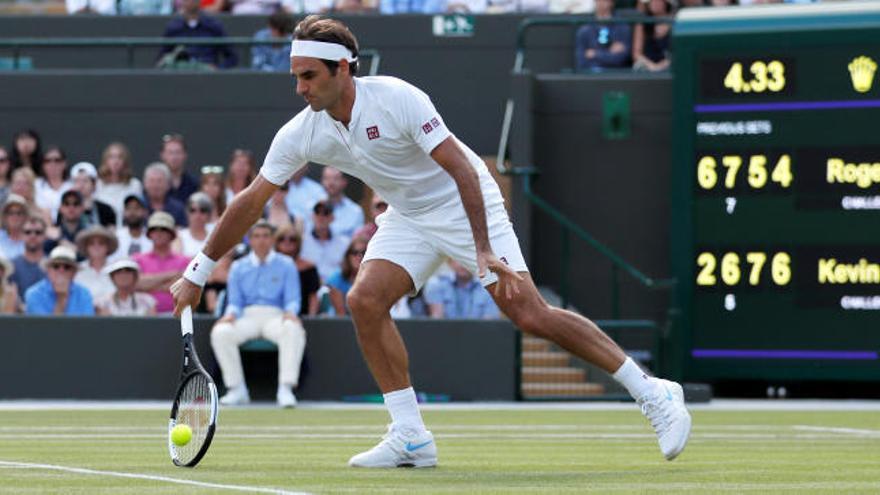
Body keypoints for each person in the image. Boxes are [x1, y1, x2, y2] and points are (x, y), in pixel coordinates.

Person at [171, 15, 691, 468]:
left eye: (309, 77)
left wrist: (483, 246)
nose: (300, 88)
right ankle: (411, 436)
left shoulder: (398, 97)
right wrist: (198, 270)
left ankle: (652, 392)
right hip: (410, 215)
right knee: (364, 300)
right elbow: (250, 201)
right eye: (296, 78)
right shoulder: (303, 131)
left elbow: (462, 167)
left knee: (529, 314)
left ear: (342, 69)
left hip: (468, 204)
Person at [210, 220, 305, 408]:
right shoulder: (238, 267)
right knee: (221, 332)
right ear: (250, 240)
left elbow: (293, 299)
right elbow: (235, 302)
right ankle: (236, 389)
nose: (261, 241)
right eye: (256, 236)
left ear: (272, 240)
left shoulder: (286, 264)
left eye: (266, 236)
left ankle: (285, 389)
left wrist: (291, 312)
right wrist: (230, 315)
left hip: (276, 316)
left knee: (293, 329)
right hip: (247, 316)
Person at [134, 212, 190, 314]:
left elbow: (185, 289)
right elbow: (136, 283)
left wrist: (149, 286)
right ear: (149, 234)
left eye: (164, 229)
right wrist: (172, 275)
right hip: (144, 316)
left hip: (175, 316)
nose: (158, 233)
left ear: (171, 234)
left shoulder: (184, 260)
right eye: (154, 229)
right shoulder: (138, 259)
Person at [158, 0, 238, 69]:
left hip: (207, 76)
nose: (191, 1)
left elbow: (232, 57)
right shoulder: (173, 27)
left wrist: (217, 69)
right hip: (180, 76)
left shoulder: (213, 26)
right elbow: (161, 58)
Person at [25, 245, 94, 316]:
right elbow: (44, 326)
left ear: (74, 273)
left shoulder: (84, 294)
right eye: (56, 266)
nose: (61, 270)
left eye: (67, 267)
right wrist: (61, 299)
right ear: (48, 270)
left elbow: (87, 325)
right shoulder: (34, 294)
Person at [424, 258, 499, 319]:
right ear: (450, 262)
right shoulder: (436, 284)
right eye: (459, 258)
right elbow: (437, 322)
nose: (463, 264)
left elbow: (489, 325)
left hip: (479, 336)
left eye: (467, 259)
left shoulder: (489, 287)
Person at [274, 224, 320, 316]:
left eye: (292, 239)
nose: (287, 242)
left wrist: (311, 319)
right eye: (282, 239)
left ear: (298, 243)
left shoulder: (309, 268)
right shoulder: (269, 266)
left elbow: (313, 296)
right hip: (274, 314)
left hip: (303, 315)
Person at [575, 0, 632, 71]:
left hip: (617, 75)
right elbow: (582, 61)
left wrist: (595, 54)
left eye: (605, 0)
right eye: (598, 0)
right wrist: (609, 53)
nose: (601, 3)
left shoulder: (622, 27)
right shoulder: (584, 30)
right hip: (592, 76)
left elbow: (621, 58)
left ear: (612, 2)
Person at [300, 199, 349, 281]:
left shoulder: (344, 243)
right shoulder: (301, 241)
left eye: (325, 213)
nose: (321, 217)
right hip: (308, 288)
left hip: (334, 288)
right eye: (317, 212)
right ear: (312, 216)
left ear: (332, 218)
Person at [95, 142, 144, 225]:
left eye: (119, 157)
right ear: (105, 160)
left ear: (125, 161)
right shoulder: (97, 184)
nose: (116, 161)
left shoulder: (135, 184)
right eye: (112, 157)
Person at [73, 225, 118, 302]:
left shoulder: (116, 269)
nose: (96, 246)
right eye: (91, 243)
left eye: (101, 243)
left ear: (108, 247)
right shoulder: (76, 270)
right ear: (86, 247)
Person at [10, 216, 48, 300]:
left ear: (45, 236)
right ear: (21, 235)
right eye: (27, 232)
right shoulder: (11, 266)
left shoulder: (55, 266)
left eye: (38, 232)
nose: (33, 236)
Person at [319, 166, 363, 238]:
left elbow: (357, 243)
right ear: (321, 181)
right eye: (326, 178)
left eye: (335, 179)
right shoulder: (311, 206)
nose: (330, 183)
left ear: (344, 182)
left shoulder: (356, 211)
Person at [70, 162, 116, 228]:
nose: (81, 185)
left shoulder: (106, 210)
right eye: (77, 181)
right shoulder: (66, 209)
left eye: (85, 181)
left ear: (94, 184)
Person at [632, 0, 674, 72]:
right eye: (651, 1)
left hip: (669, 65)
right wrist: (652, 66)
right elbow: (636, 54)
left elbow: (676, 54)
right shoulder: (642, 23)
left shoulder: (674, 21)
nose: (654, 3)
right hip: (647, 66)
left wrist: (662, 65)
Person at [142, 162, 187, 226]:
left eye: (159, 181)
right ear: (145, 184)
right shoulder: (137, 207)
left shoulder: (178, 208)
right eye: (151, 181)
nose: (155, 185)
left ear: (168, 184)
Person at [34, 145, 72, 220]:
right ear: (43, 165)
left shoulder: (73, 185)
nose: (52, 164)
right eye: (47, 161)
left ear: (64, 163)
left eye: (57, 160)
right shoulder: (35, 185)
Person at [160, 134, 200, 204]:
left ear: (185, 155)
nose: (174, 157)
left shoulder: (194, 184)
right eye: (170, 153)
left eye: (178, 152)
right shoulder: (155, 184)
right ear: (162, 155)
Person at [113, 194, 153, 260]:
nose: (132, 212)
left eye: (136, 208)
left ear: (145, 212)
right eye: (128, 208)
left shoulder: (152, 237)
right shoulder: (116, 237)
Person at [174, 192, 214, 257]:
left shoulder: (214, 235)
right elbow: (177, 261)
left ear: (209, 214)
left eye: (203, 210)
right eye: (192, 210)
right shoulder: (179, 236)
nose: (197, 215)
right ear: (187, 212)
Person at [0, 194, 28, 259]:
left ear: (25, 217)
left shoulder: (32, 236)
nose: (15, 217)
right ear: (5, 217)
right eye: (11, 213)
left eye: (19, 213)